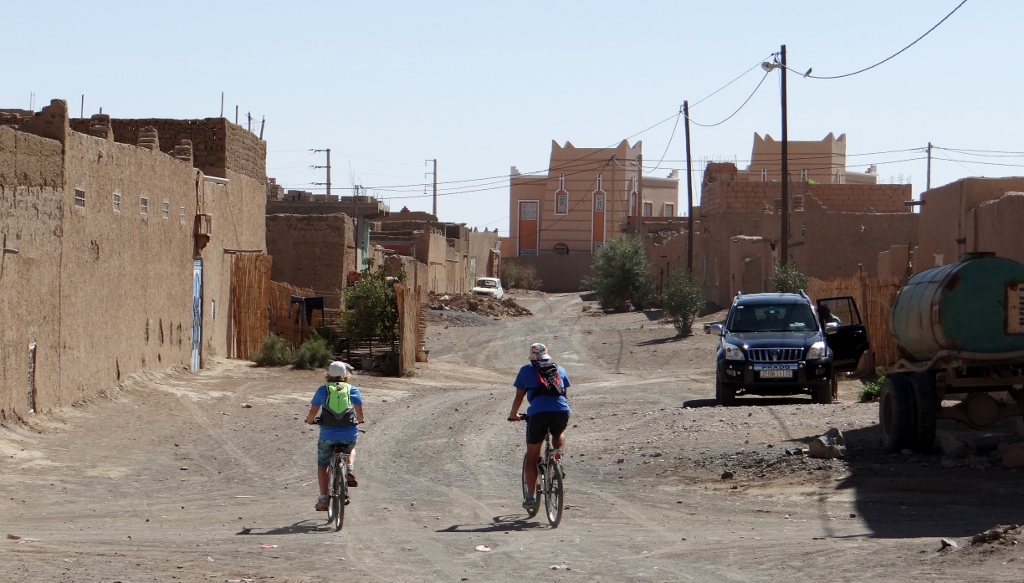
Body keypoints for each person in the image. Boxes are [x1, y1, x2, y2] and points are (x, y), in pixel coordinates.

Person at [507, 343, 570, 514]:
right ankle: (558, 457)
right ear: (546, 356)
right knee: (560, 431)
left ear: (532, 357)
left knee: (532, 456)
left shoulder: (526, 370)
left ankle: (530, 497)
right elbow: (564, 394)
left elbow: (519, 396)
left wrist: (513, 415)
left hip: (537, 414)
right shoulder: (560, 369)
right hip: (561, 411)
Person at [305, 361, 364, 512]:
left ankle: (324, 499)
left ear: (328, 375)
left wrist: (309, 421)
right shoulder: (352, 389)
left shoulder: (322, 390)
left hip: (328, 434)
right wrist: (361, 421)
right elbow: (360, 412)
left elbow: (313, 411)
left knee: (323, 464)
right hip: (349, 433)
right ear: (345, 375)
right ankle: (350, 467)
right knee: (350, 447)